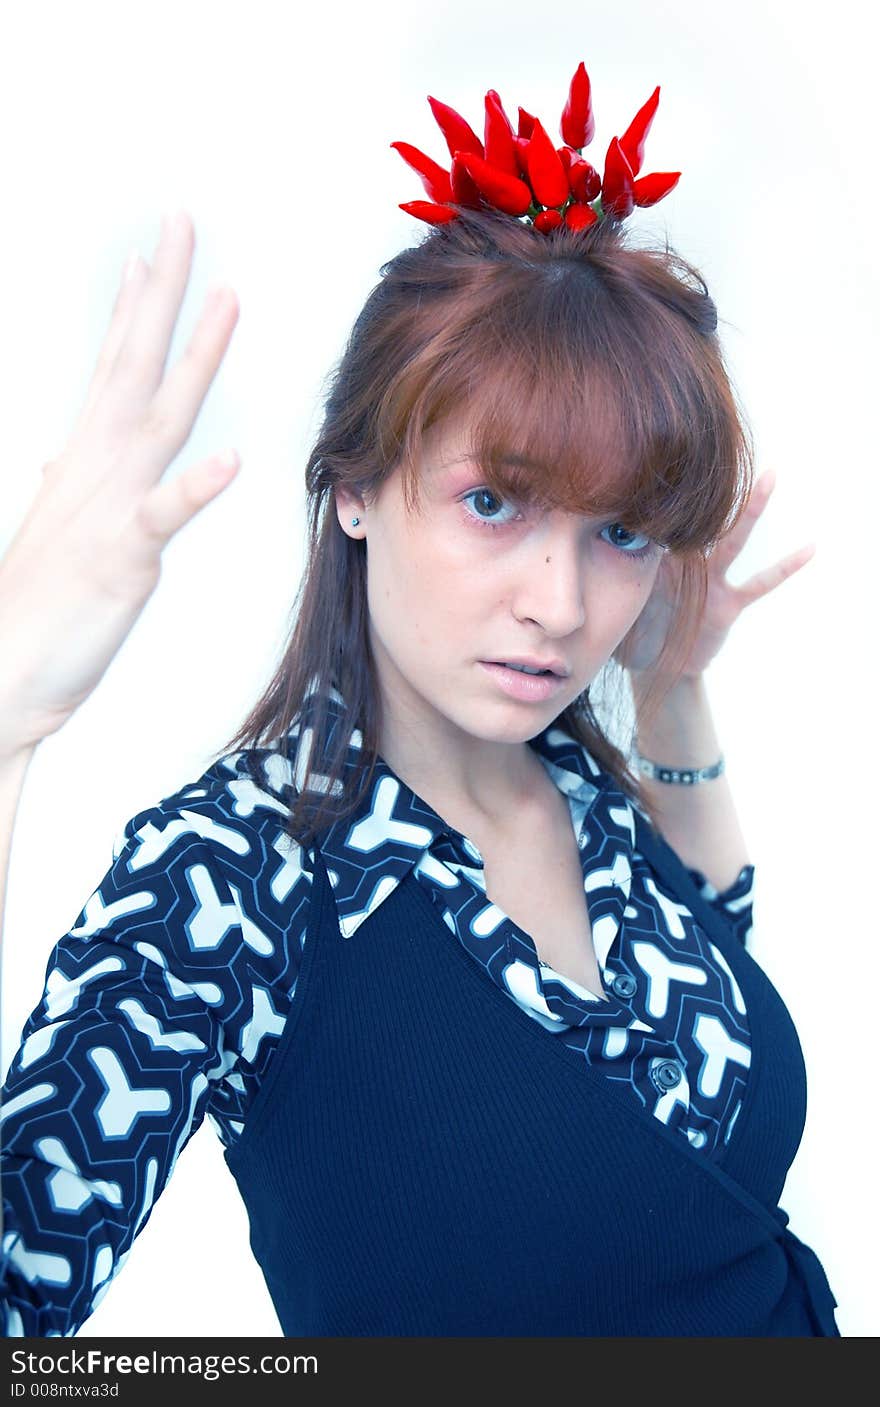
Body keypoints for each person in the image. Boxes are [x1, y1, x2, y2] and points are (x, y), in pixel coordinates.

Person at [0, 62, 840, 1338]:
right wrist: (7, 714)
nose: (560, 604)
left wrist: (669, 695)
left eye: (618, 530)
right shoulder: (236, 872)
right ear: (352, 487)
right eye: (492, 502)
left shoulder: (574, 783)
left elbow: (714, 956)